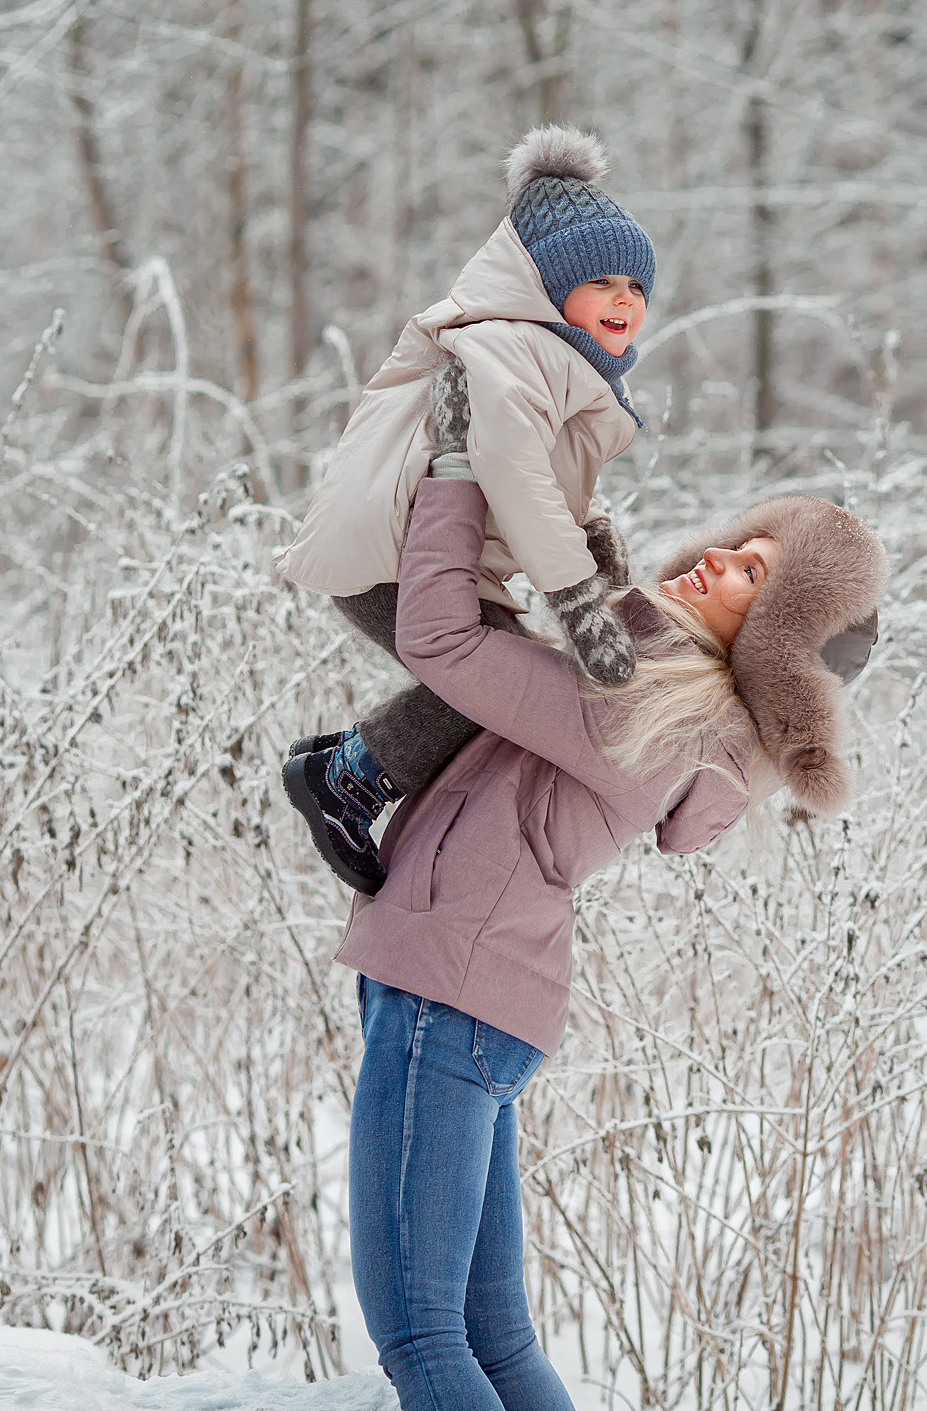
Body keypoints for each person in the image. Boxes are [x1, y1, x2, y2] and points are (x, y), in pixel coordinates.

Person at [340, 363, 888, 1410]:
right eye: (736, 541)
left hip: (445, 999)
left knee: (421, 1340)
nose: (716, 556)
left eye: (750, 575)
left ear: (771, 640)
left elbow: (443, 640)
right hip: (476, 1007)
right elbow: (587, 622)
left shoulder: (648, 718)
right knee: (492, 1342)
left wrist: (460, 461)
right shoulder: (678, 716)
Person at [274, 125, 658, 894]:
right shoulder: (512, 347)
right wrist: (579, 599)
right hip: (392, 550)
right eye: (602, 283)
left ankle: (349, 763)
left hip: (417, 550)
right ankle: (346, 776)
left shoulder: (550, 358)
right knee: (505, 686)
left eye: (637, 288)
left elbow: (542, 480)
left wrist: (593, 542)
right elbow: (511, 469)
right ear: (547, 286)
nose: (624, 300)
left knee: (512, 687)